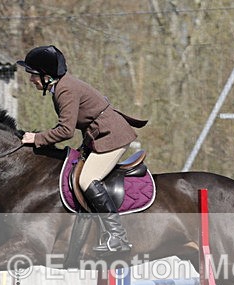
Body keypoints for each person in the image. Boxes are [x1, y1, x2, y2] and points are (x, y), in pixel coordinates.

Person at [17, 45, 147, 253]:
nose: (30, 79)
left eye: (32, 75)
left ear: (47, 76)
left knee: (86, 180)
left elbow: (66, 130)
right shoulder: (61, 87)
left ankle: (117, 236)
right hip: (97, 136)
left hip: (111, 137)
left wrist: (37, 138)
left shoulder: (64, 90)